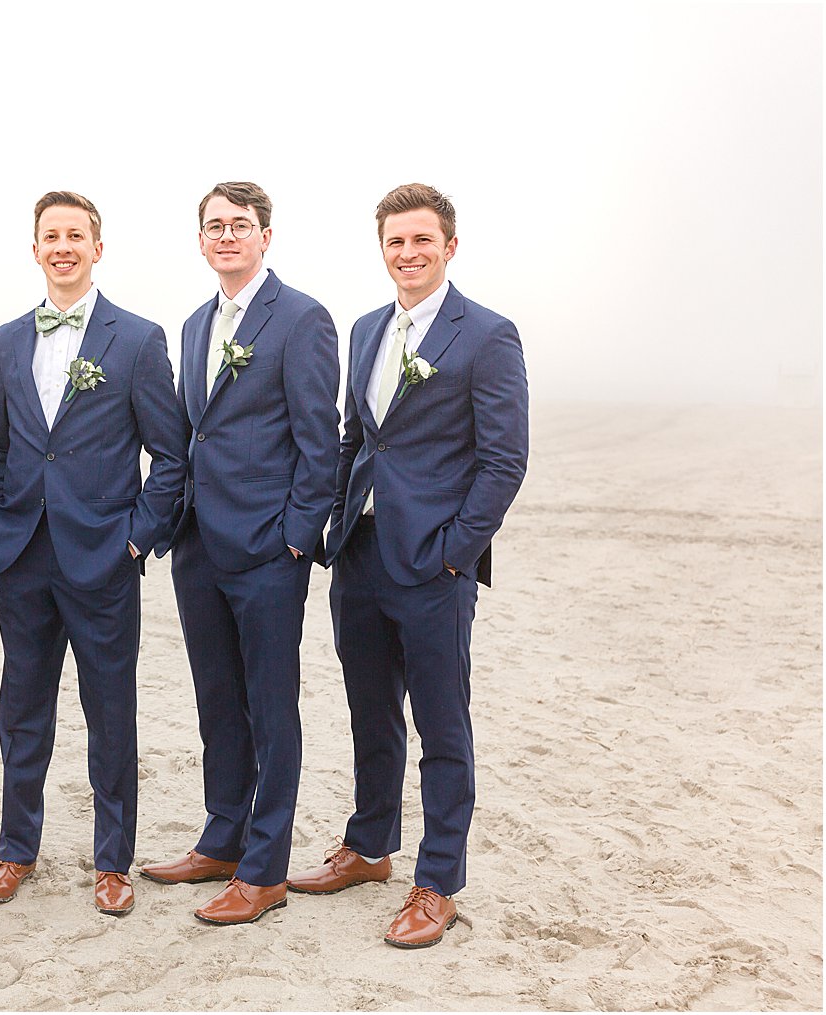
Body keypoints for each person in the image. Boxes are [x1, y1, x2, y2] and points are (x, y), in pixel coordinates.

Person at [289, 183, 528, 948]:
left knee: (442, 724)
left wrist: (456, 552)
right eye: (396, 241)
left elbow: (504, 460)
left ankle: (438, 882)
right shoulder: (365, 330)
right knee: (370, 712)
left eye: (422, 240)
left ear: (449, 247)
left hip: (434, 568)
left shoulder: (487, 335)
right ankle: (368, 847)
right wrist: (335, 524)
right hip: (359, 557)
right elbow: (357, 437)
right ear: (382, 248)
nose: (408, 253)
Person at [0, 191, 187, 916]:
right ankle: (15, 851)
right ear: (35, 249)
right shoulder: (6, 339)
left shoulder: (137, 338)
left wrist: (134, 536)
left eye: (76, 235)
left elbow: (172, 455)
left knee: (110, 710)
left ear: (98, 247)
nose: (62, 246)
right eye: (50, 236)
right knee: (21, 709)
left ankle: (112, 861)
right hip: (24, 555)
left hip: (103, 558)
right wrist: (0, 529)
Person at [140, 182, 340, 925]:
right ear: (201, 241)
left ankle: (264, 868)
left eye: (241, 225)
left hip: (265, 552)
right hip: (199, 546)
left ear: (265, 236)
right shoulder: (195, 324)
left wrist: (292, 537)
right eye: (214, 226)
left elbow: (319, 444)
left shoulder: (301, 318)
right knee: (216, 701)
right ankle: (222, 837)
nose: (227, 235)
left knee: (269, 705)